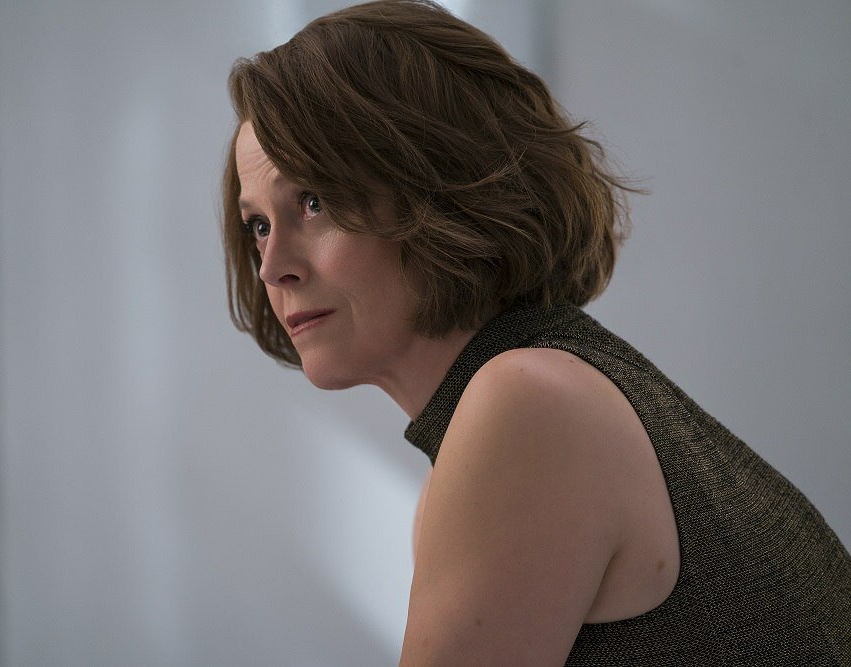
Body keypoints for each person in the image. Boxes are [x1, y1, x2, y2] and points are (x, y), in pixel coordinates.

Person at [221, 1, 851, 663]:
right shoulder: (545, 394)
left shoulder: (528, 406)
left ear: (438, 187)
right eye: (258, 224)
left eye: (313, 202)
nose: (271, 266)